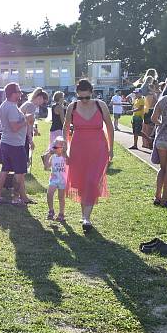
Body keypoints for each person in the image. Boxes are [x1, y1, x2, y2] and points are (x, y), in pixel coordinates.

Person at [64, 79, 114, 232]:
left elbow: (110, 128)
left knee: (92, 181)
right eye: (80, 97)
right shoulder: (72, 107)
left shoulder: (100, 105)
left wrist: (111, 149)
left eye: (86, 97)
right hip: (78, 148)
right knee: (80, 182)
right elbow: (65, 128)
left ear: (91, 93)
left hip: (98, 149)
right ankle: (85, 216)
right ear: (77, 95)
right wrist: (66, 148)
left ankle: (86, 218)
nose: (84, 100)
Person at [0, 83, 32, 206]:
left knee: (4, 170)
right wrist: (26, 120)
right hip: (15, 144)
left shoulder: (5, 105)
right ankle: (17, 198)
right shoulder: (11, 107)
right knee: (19, 173)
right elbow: (14, 127)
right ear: (13, 93)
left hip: (6, 142)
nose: (20, 94)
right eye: (18, 91)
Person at [152, 81, 167, 208]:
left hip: (161, 138)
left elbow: (153, 118)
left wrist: (162, 123)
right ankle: (165, 199)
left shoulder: (163, 100)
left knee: (163, 168)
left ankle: (157, 196)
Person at [46, 136, 69, 222]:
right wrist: (47, 157)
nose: (54, 148)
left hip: (63, 180)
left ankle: (61, 213)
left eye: (56, 147)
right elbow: (47, 167)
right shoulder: (53, 157)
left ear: (63, 148)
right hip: (54, 179)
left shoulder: (65, 157)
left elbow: (70, 162)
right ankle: (51, 210)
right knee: (49, 193)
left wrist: (65, 153)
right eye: (53, 147)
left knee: (61, 197)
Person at [41, 91, 67, 169]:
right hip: (58, 129)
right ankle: (47, 157)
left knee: (53, 146)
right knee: (57, 147)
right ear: (60, 98)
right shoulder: (60, 107)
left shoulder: (53, 106)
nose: (64, 98)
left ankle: (46, 164)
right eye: (63, 97)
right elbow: (63, 120)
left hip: (53, 129)